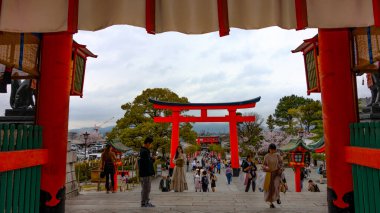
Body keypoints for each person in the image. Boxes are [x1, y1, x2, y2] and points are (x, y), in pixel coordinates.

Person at [262, 143, 283, 209]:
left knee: (276, 186)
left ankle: (277, 197)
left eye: (274, 149)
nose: (272, 151)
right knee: (269, 189)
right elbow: (264, 165)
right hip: (269, 174)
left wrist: (281, 168)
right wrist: (266, 167)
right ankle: (271, 203)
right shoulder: (266, 156)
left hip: (276, 173)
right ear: (269, 149)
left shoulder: (277, 155)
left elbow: (281, 163)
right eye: (271, 149)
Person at [139, 137, 156, 207]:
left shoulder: (142, 150)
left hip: (143, 172)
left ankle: (145, 201)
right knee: (146, 188)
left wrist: (151, 159)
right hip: (146, 172)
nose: (151, 145)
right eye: (150, 144)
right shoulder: (145, 151)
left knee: (145, 188)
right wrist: (153, 159)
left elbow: (146, 161)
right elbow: (147, 163)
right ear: (148, 143)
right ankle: (144, 202)